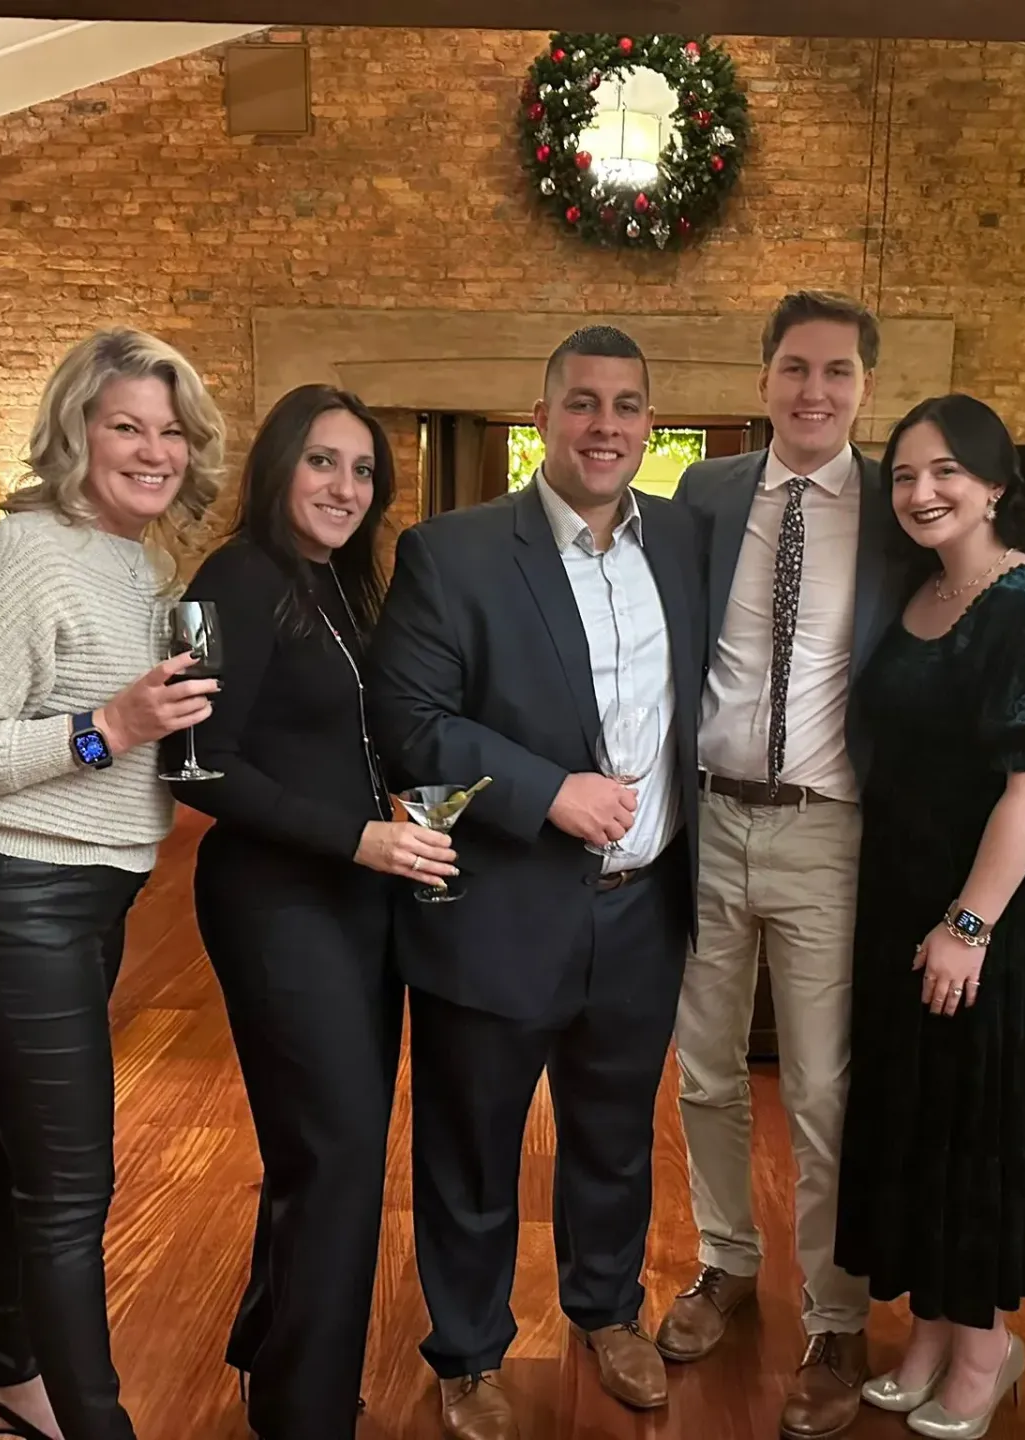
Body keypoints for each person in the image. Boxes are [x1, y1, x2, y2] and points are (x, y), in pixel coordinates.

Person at [365, 326, 705, 1440]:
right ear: (543, 416)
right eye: (583, 403)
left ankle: (608, 1312)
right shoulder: (452, 551)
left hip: (642, 906)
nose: (606, 425)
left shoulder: (687, 547)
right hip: (502, 905)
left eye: (627, 405)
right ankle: (468, 1353)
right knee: (473, 1145)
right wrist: (547, 790)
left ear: (650, 424)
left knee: (614, 1135)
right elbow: (410, 723)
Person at [0, 328, 227, 1440]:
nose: (153, 450)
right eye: (126, 425)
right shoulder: (21, 556)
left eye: (170, 430)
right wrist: (106, 731)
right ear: (73, 432)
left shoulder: (133, 561)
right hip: (4, 892)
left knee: (6, 1157)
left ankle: (9, 1391)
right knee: (73, 1188)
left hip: (76, 896)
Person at [171, 383, 455, 1438]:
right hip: (276, 903)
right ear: (278, 465)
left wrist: (397, 822)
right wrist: (358, 836)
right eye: (323, 462)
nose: (345, 486)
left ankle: (269, 1347)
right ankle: (306, 1411)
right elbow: (192, 768)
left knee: (327, 1151)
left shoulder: (346, 584)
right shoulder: (225, 580)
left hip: (357, 899)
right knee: (335, 1155)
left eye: (363, 469)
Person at [659, 290, 902, 1440]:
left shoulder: (902, 510)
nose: (816, 391)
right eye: (797, 369)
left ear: (865, 388)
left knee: (820, 1089)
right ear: (762, 380)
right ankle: (724, 1261)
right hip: (707, 820)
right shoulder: (703, 495)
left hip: (828, 831)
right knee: (703, 1069)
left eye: (839, 372)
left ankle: (837, 1314)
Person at [837, 393, 1025, 1438]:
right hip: (901, 894)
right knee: (925, 1117)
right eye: (903, 474)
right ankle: (935, 1330)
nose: (921, 491)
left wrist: (969, 926)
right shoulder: (920, 590)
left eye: (946, 471)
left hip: (993, 918)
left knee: (978, 1123)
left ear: (995, 484)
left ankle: (987, 1349)